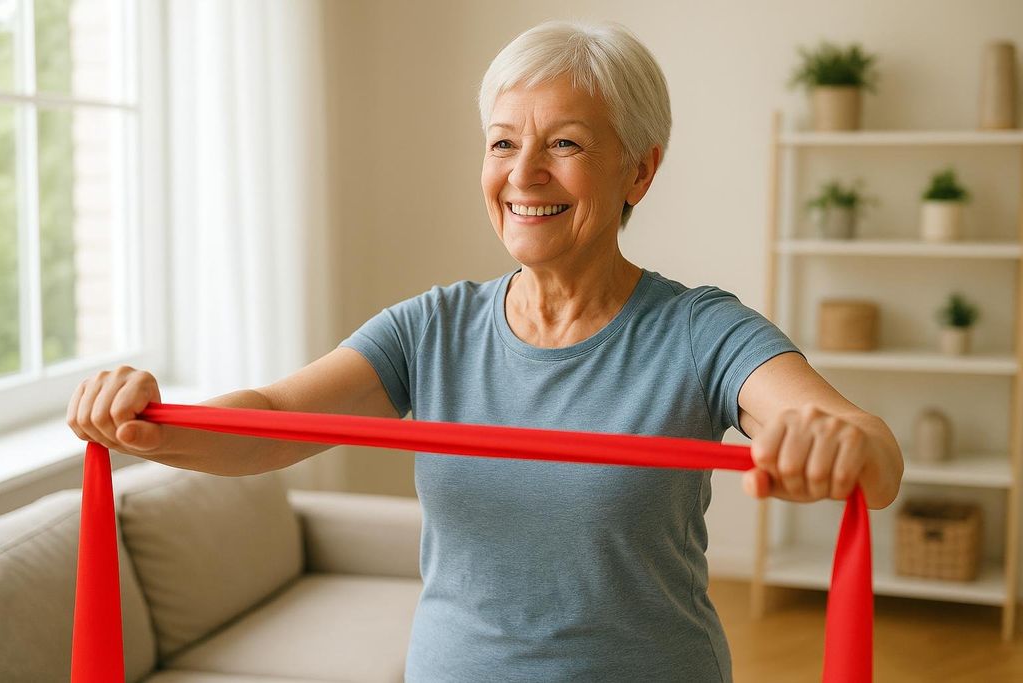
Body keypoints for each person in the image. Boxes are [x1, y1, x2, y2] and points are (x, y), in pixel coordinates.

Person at [67, 19, 903, 683]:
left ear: (639, 172)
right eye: (503, 142)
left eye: (566, 144)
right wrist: (147, 425)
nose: (524, 174)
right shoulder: (431, 329)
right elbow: (279, 418)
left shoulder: (699, 331)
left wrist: (839, 441)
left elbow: (857, 439)